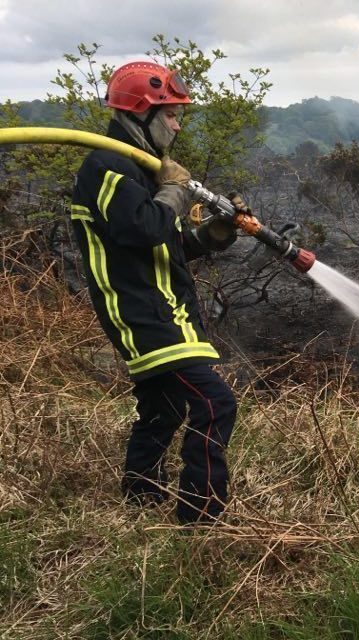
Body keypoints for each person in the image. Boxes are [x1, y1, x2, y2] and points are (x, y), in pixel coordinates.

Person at [70, 61, 240, 524]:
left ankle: (140, 496)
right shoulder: (106, 167)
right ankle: (201, 516)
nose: (177, 123)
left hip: (163, 307)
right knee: (214, 402)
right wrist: (176, 194)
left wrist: (210, 238)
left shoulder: (144, 172)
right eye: (170, 113)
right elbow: (143, 228)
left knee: (164, 407)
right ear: (141, 112)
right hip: (141, 311)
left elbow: (166, 243)